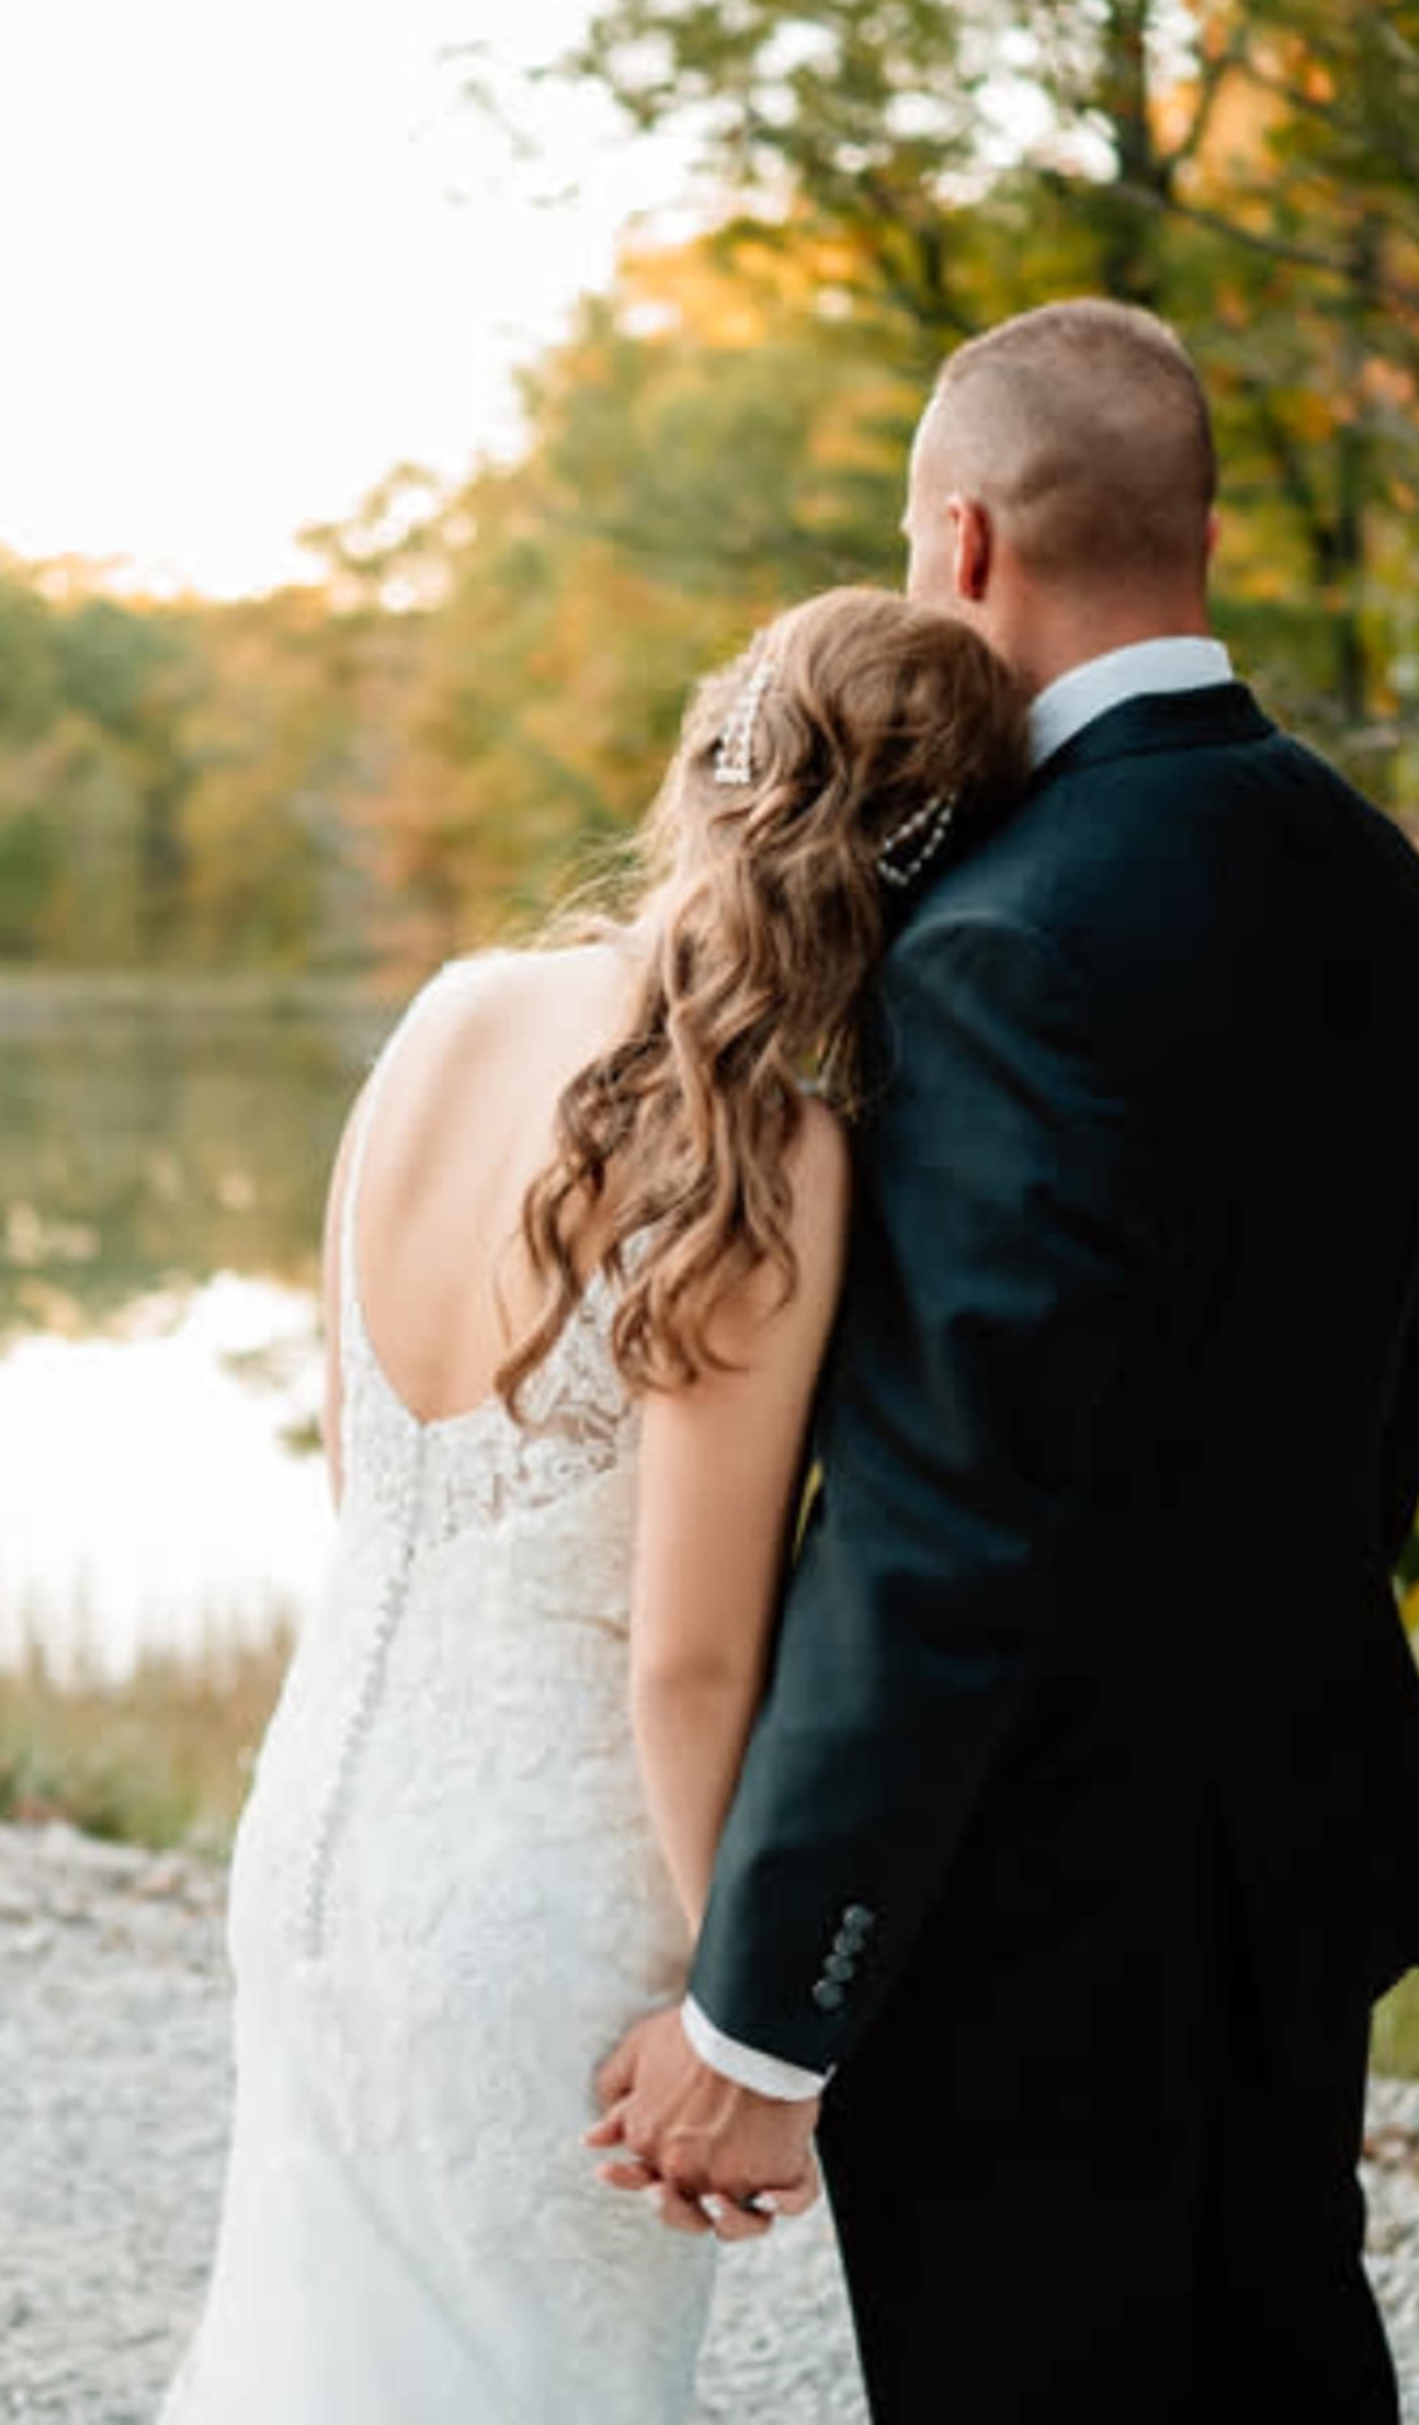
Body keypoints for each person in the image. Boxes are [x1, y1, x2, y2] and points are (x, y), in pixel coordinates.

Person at [584, 295, 1419, 2420]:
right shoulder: (1389, 896)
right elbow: (1391, 1415)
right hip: (1294, 1841)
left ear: (966, 543)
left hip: (1037, 1928)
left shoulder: (1002, 941)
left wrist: (762, 2022)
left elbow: (942, 1523)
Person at [156, 587, 1029, 2423]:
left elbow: (367, 1486)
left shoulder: (452, 1017)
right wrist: (763, 2034)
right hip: (538, 1927)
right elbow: (687, 1664)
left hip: (317, 1839)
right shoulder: (760, 1144)